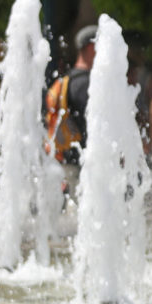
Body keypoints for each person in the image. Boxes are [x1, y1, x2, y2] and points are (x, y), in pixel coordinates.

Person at [45, 25, 97, 195]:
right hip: (82, 167)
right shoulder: (85, 83)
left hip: (66, 161)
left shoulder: (66, 80)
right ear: (91, 47)